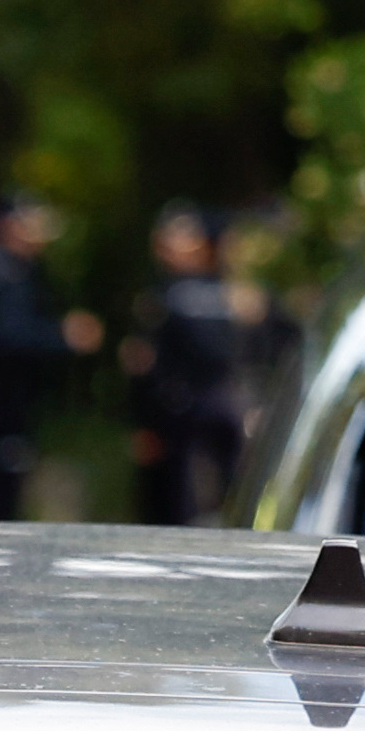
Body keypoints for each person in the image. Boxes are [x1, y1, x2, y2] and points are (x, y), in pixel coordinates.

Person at [0, 191, 95, 520]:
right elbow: (4, 336)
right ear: (9, 226)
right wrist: (63, 337)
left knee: (0, 487)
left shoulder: (7, 268)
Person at [128, 201, 253, 525]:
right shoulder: (227, 294)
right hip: (197, 409)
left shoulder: (222, 294)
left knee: (187, 504)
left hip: (192, 409)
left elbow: (144, 363)